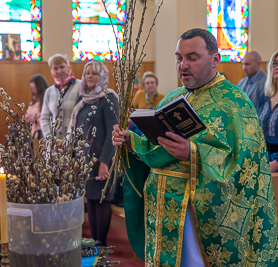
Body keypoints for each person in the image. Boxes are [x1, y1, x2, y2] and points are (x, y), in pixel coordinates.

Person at [112, 28, 278, 266]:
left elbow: (247, 166)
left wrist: (194, 153)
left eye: (192, 57)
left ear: (215, 59)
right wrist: (132, 141)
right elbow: (157, 145)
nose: (183, 65)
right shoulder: (171, 98)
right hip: (163, 208)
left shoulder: (235, 103)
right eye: (179, 58)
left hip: (198, 218)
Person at [70, 61, 118, 246]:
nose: (89, 76)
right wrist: (73, 156)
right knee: (90, 199)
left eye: (94, 73)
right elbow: (76, 131)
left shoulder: (108, 98)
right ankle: (94, 242)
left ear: (103, 77)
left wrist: (104, 162)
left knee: (102, 199)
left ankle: (101, 243)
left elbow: (113, 133)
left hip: (102, 159)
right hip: (84, 160)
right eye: (87, 73)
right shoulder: (82, 99)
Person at [41, 54, 81, 139]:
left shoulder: (80, 86)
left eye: (62, 67)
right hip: (53, 144)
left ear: (68, 66)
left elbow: (81, 116)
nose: (59, 71)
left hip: (74, 142)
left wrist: (67, 140)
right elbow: (44, 118)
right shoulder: (49, 92)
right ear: (51, 70)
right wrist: (49, 138)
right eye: (55, 68)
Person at [256, 50, 278, 172]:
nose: (277, 67)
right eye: (275, 63)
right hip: (264, 157)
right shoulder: (265, 96)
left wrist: (277, 162)